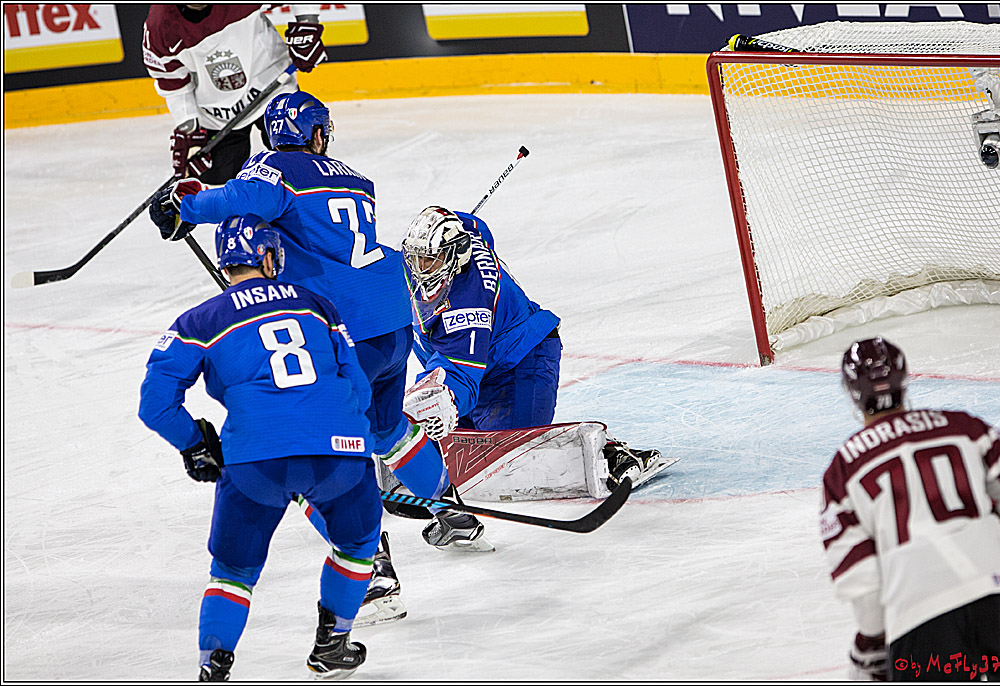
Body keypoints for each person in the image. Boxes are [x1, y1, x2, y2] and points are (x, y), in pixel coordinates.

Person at [148, 90, 490, 625]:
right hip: (391, 317)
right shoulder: (355, 179)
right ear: (317, 133)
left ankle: (373, 568)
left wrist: (184, 206)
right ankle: (452, 510)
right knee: (387, 429)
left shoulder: (272, 168)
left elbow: (246, 201)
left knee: (328, 449)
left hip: (340, 329)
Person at [138, 215, 379, 680]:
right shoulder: (316, 304)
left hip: (254, 461)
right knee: (357, 545)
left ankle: (214, 667)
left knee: (231, 572)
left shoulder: (198, 320)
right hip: (339, 454)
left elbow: (155, 405)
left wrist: (194, 444)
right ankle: (333, 645)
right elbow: (359, 387)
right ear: (269, 256)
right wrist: (347, 436)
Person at [399, 205, 671, 494]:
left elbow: (460, 374)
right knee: (449, 457)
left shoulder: (468, 305)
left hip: (518, 365)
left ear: (455, 256)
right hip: (484, 364)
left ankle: (608, 454)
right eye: (416, 256)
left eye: (430, 260)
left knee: (509, 464)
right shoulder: (461, 241)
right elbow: (477, 226)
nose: (419, 267)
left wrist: (443, 400)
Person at [820, 337, 1000, 682]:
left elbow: (864, 587)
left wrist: (870, 644)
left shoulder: (843, 470)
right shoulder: (964, 427)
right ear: (905, 380)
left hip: (921, 619)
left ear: (852, 393)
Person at [142, 4, 327, 184]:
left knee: (302, 161)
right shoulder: (160, 26)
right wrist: (189, 125)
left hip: (273, 87)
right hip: (217, 114)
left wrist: (307, 24)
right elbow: (172, 80)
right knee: (215, 176)